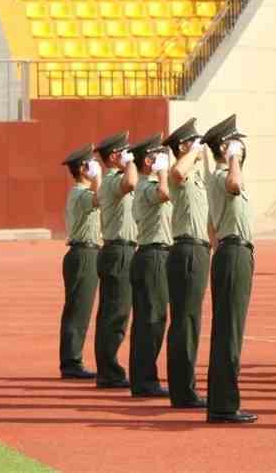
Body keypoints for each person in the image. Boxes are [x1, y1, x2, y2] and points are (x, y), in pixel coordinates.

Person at [202, 115, 257, 424]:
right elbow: (235, 183)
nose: (243, 147)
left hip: (230, 250)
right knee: (229, 332)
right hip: (233, 251)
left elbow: (212, 224)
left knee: (227, 330)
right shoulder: (226, 174)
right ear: (224, 146)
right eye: (237, 141)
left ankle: (221, 402)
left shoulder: (218, 177)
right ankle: (224, 405)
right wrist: (234, 155)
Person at [163, 118, 209, 409]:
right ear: (183, 146)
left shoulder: (196, 177)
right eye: (194, 141)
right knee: (185, 322)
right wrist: (192, 151)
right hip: (186, 250)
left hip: (198, 249)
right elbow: (178, 170)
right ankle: (182, 391)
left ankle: (184, 386)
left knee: (190, 322)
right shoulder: (178, 172)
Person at [93, 131, 138, 389]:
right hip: (119, 250)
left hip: (120, 250)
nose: (129, 154)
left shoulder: (111, 180)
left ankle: (107, 370)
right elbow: (131, 183)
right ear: (114, 156)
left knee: (113, 313)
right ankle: (109, 372)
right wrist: (130, 162)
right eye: (125, 150)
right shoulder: (113, 180)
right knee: (115, 315)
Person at [129, 134, 172, 398]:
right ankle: (145, 381)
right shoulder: (148, 186)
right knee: (151, 320)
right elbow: (165, 192)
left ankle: (144, 378)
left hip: (156, 255)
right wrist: (163, 172)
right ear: (149, 160)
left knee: (151, 319)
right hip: (153, 255)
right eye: (157, 155)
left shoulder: (150, 184)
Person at [59, 144, 102, 380]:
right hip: (83, 254)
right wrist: (98, 177)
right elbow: (99, 198)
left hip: (88, 253)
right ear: (84, 169)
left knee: (79, 309)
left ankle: (72, 359)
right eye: (91, 163)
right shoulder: (80, 193)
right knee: (78, 309)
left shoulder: (81, 192)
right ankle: (71, 362)